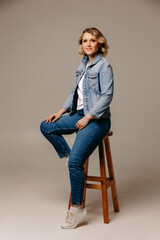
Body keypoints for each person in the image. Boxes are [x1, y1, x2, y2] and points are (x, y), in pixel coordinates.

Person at [40, 27, 114, 229]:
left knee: (76, 163)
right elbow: (74, 93)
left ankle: (76, 209)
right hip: (79, 115)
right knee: (46, 126)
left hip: (97, 120)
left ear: (100, 43)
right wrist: (61, 111)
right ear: (81, 45)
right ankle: (69, 158)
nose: (88, 44)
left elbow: (106, 97)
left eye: (92, 40)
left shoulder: (103, 66)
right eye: (84, 41)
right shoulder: (82, 66)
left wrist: (88, 118)